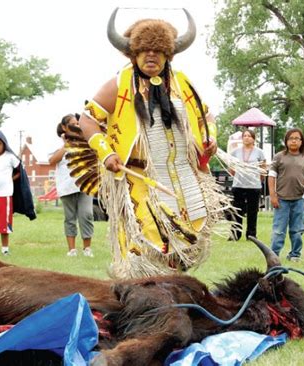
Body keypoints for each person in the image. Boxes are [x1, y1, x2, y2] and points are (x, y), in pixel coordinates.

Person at [73, 8, 230, 278]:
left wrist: (210, 137)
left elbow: (206, 115)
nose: (151, 56)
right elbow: (87, 120)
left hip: (182, 177)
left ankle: (176, 291)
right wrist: (106, 153)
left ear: (168, 54)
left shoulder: (182, 84)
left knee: (185, 240)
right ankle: (140, 298)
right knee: (143, 244)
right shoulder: (119, 85)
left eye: (158, 51)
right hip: (139, 179)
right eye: (144, 50)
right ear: (132, 53)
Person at [49, 114, 94, 257]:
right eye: (73, 124)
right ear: (64, 127)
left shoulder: (85, 141)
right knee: (70, 218)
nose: (76, 126)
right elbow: (52, 160)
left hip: (84, 185)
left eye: (78, 123)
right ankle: (72, 250)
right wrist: (66, 145)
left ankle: (87, 249)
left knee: (86, 215)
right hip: (66, 187)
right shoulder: (59, 145)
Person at [268, 128, 304, 262]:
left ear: (302, 141)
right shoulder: (279, 157)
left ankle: (295, 254)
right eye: (291, 138)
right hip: (282, 200)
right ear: (286, 141)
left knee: (297, 230)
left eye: (297, 138)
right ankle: (274, 256)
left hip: (300, 200)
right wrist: (273, 196)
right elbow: (271, 177)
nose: (294, 141)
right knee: (278, 230)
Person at [229, 129, 266, 241]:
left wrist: (258, 180)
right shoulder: (235, 152)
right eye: (244, 135)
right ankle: (235, 234)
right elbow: (231, 168)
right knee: (237, 211)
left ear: (253, 138)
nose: (246, 138)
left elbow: (263, 169)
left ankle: (251, 235)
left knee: (252, 212)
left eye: (249, 136)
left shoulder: (259, 152)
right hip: (239, 185)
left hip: (254, 186)